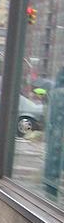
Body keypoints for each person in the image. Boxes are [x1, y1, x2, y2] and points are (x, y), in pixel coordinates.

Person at [43, 67, 64, 197]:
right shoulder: (59, 94)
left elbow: (51, 118)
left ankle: (50, 187)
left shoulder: (56, 94)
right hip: (58, 133)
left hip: (56, 133)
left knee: (54, 159)